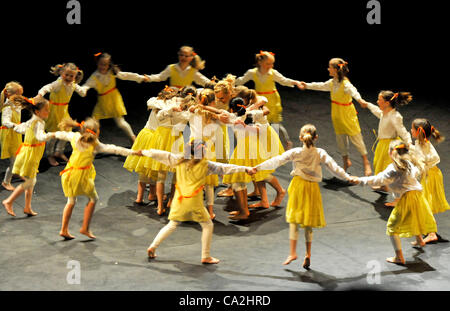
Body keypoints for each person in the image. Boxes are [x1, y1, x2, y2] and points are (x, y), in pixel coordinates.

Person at [250, 124, 356, 269]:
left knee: (294, 219)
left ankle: (292, 252)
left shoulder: (296, 152)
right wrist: (348, 177)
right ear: (316, 137)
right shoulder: (320, 153)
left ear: (300, 137)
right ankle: (308, 254)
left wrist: (258, 168)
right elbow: (334, 168)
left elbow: (277, 160)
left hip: (298, 186)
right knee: (308, 222)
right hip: (312, 189)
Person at [143, 140, 253, 264]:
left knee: (172, 224)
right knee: (208, 225)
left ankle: (153, 246)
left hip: (179, 200)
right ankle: (205, 256)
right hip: (194, 201)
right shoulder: (205, 165)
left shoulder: (179, 160)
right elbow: (225, 168)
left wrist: (142, 152)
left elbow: (160, 154)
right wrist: (245, 169)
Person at [53, 117, 141, 239]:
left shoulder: (75, 137)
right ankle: (84, 228)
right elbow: (115, 149)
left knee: (71, 201)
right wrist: (132, 152)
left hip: (69, 173)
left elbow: (62, 134)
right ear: (97, 132)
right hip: (82, 176)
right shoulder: (95, 145)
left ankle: (64, 229)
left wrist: (48, 134)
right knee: (93, 199)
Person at [356, 140, 437, 265]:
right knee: (414, 217)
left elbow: (378, 180)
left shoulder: (394, 168)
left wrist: (359, 180)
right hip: (418, 196)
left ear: (390, 153)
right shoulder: (408, 163)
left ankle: (399, 257)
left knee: (392, 227)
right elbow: (415, 172)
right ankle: (420, 240)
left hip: (408, 198)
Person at [298, 58, 372, 176]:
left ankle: (366, 162)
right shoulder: (332, 83)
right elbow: (320, 86)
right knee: (340, 138)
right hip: (336, 114)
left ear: (336, 70)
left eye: (330, 67)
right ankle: (345, 161)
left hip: (347, 114)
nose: (328, 69)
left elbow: (354, 92)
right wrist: (306, 85)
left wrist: (360, 100)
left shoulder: (345, 84)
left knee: (355, 136)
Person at [235, 50, 303, 149]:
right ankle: (262, 146)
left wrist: (296, 82)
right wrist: (229, 82)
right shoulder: (252, 73)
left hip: (272, 101)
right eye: (268, 64)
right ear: (260, 63)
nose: (271, 66)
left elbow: (284, 80)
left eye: (272, 63)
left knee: (276, 124)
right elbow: (241, 80)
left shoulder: (273, 73)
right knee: (259, 122)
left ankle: (286, 142)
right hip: (259, 100)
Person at [2, 95, 54, 217]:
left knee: (31, 181)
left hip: (27, 151)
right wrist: (51, 135)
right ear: (37, 111)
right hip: (31, 154)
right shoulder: (39, 123)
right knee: (31, 181)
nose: (48, 112)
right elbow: (40, 137)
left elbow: (20, 129)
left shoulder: (32, 120)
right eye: (46, 109)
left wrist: (15, 126)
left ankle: (27, 207)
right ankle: (9, 201)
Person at [81, 52, 149, 143]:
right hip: (103, 101)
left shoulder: (112, 72)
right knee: (94, 120)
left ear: (109, 64)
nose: (103, 66)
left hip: (114, 99)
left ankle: (133, 138)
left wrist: (140, 77)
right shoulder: (94, 76)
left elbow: (126, 75)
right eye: (101, 64)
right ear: (97, 63)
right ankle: (93, 141)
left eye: (105, 64)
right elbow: (87, 85)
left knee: (120, 122)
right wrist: (83, 90)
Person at [360, 91, 412, 205]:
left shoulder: (395, 116)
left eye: (380, 100)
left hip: (390, 146)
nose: (377, 102)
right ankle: (384, 187)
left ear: (387, 103)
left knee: (390, 170)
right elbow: (377, 111)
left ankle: (398, 198)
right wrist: (367, 104)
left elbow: (403, 131)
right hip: (382, 145)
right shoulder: (385, 112)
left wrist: (409, 144)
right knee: (379, 165)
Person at [37, 62, 86, 166]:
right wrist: (40, 94)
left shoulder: (73, 84)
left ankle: (59, 151)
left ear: (75, 76)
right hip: (54, 111)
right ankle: (49, 154)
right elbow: (47, 87)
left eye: (71, 76)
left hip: (64, 111)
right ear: (61, 73)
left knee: (67, 131)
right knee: (53, 135)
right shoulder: (58, 83)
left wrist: (84, 91)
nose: (68, 77)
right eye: (66, 75)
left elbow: (81, 92)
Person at [410, 118, 448, 244]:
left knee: (425, 204)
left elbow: (433, 159)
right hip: (430, 174)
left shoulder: (423, 145)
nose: (410, 130)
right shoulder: (420, 143)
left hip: (430, 176)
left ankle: (431, 233)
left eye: (412, 129)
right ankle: (428, 232)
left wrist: (421, 168)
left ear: (418, 132)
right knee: (425, 204)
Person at [143, 46, 210, 90]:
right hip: (172, 94)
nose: (183, 57)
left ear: (191, 58)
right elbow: (160, 77)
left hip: (186, 96)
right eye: (181, 55)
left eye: (186, 56)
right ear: (178, 55)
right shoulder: (171, 68)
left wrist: (215, 84)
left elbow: (204, 81)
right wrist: (149, 78)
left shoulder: (193, 71)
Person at [1, 82, 24, 191]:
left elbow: (25, 104)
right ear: (9, 95)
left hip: (16, 133)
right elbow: (5, 122)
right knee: (14, 160)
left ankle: (16, 173)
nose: (21, 97)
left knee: (19, 155)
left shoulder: (16, 103)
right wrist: (17, 126)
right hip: (9, 135)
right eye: (18, 95)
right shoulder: (7, 107)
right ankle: (6, 182)